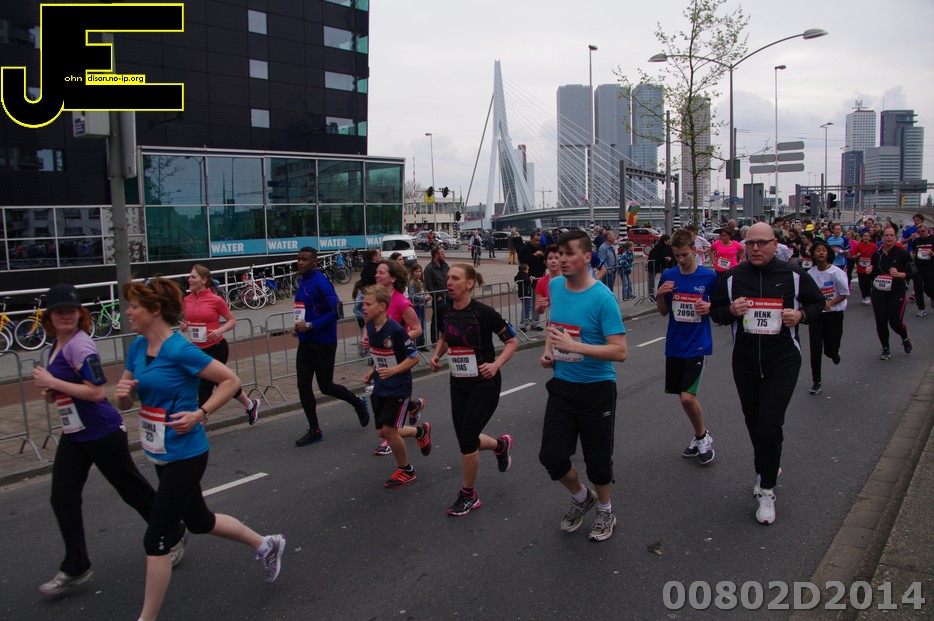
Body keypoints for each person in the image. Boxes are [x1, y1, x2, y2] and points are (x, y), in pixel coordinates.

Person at [115, 277, 284, 621]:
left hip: (187, 453)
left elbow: (230, 381)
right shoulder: (137, 347)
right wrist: (124, 395)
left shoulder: (179, 350)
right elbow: (126, 400)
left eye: (134, 306)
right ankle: (267, 543)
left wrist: (200, 413)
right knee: (199, 521)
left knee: (157, 536)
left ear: (155, 309)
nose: (127, 312)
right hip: (159, 451)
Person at [32, 284, 186, 596]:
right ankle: (76, 565)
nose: (65, 316)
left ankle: (174, 531)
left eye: (71, 311)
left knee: (131, 489)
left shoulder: (80, 345)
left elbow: (96, 392)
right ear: (49, 316)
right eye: (59, 312)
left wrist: (53, 380)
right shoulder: (56, 344)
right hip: (76, 434)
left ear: (80, 314)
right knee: (62, 497)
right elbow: (69, 388)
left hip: (102, 431)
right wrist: (53, 391)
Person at [710, 222, 824, 525]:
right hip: (745, 362)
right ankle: (769, 464)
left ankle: (767, 489)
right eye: (750, 244)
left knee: (768, 425)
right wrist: (730, 311)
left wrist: (800, 315)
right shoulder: (733, 278)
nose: (756, 248)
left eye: (762, 243)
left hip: (782, 361)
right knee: (755, 424)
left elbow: (818, 303)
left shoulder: (794, 276)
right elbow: (716, 312)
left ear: (776, 244)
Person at [538, 230, 628, 542]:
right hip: (562, 385)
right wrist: (549, 351)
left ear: (587, 257)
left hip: (596, 388)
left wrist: (576, 347)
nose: (561, 260)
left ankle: (605, 509)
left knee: (597, 460)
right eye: (559, 254)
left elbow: (620, 351)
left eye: (569, 254)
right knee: (551, 456)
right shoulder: (555, 286)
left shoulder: (603, 298)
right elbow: (555, 327)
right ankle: (581, 497)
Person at [429, 264, 517, 516]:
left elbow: (512, 341)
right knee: (466, 437)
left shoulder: (485, 313)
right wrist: (436, 355)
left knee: (468, 438)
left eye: (455, 278)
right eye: (448, 278)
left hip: (484, 383)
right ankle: (500, 445)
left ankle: (469, 494)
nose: (449, 282)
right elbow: (445, 337)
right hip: (458, 382)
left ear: (469, 284)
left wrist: (496, 364)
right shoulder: (444, 310)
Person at [292, 247, 370, 446]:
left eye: (304, 259)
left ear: (315, 262)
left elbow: (337, 312)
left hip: (324, 342)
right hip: (306, 342)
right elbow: (306, 309)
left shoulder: (321, 282)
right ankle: (315, 430)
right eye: (298, 259)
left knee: (326, 386)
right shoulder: (302, 281)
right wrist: (298, 327)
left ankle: (357, 402)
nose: (300, 262)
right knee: (303, 386)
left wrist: (311, 325)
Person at [655, 230, 720, 465]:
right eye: (676, 255)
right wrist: (660, 295)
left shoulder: (709, 277)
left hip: (698, 344)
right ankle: (699, 434)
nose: (681, 259)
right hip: (675, 344)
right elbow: (663, 311)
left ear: (694, 249)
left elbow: (720, 307)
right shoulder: (669, 275)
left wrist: (710, 307)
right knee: (681, 396)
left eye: (684, 254)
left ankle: (703, 437)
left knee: (687, 398)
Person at [361, 285, 433, 488]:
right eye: (363, 303)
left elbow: (414, 358)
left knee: (390, 431)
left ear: (382, 306)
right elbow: (378, 353)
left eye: (368, 304)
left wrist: (393, 371)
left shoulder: (396, 330)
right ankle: (419, 432)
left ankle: (406, 470)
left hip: (398, 386)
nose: (363, 307)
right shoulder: (370, 326)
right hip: (380, 384)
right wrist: (372, 370)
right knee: (382, 432)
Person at [180, 264, 260, 425]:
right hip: (197, 349)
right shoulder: (187, 300)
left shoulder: (215, 300)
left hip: (216, 348)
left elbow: (232, 321)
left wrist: (219, 330)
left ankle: (199, 425)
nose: (189, 279)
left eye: (193, 277)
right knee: (222, 382)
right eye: (189, 277)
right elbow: (191, 320)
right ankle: (250, 404)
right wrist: (186, 326)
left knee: (205, 387)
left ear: (204, 280)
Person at [370, 260, 427, 456]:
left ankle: (390, 439)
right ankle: (413, 409)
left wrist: (396, 341)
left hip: (400, 358)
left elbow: (417, 329)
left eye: (381, 273)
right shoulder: (376, 301)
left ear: (393, 278)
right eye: (377, 272)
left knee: (393, 399)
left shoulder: (401, 301)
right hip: (383, 359)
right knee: (386, 398)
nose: (377, 275)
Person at [805, 240, 849, 395]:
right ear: (813, 254)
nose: (821, 253)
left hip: (834, 314)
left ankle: (834, 353)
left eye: (824, 250)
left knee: (830, 349)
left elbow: (844, 293)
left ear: (828, 253)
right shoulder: (810, 274)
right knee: (815, 348)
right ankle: (816, 381)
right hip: (817, 316)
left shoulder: (836, 272)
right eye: (818, 250)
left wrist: (830, 303)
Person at [868, 224, 913, 360]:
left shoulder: (902, 254)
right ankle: (886, 348)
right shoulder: (877, 254)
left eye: (891, 235)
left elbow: (914, 273)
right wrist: (869, 271)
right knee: (881, 321)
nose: (889, 238)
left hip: (896, 291)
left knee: (895, 322)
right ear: (882, 238)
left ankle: (905, 338)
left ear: (895, 237)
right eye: (886, 235)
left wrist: (900, 274)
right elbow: (873, 273)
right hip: (879, 291)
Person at [518, 235, 547, 329]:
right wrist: (534, 255)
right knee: (527, 303)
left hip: (538, 279)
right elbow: (522, 262)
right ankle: (524, 323)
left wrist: (543, 258)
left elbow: (545, 262)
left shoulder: (541, 248)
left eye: (539, 240)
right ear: (531, 239)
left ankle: (535, 323)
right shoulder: (524, 249)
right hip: (528, 280)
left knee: (536, 302)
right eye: (536, 240)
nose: (537, 242)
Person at [423, 245, 450, 343]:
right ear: (436, 255)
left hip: (448, 296)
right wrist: (436, 296)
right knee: (436, 319)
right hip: (439, 298)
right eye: (442, 254)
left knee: (448, 317)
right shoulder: (429, 268)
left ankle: (447, 337)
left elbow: (449, 277)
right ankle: (435, 340)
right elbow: (429, 284)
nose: (444, 256)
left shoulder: (445, 265)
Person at [912, 223, 933, 317]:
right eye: (919, 232)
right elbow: (913, 252)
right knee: (918, 289)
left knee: (928, 288)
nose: (921, 233)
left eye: (923, 231)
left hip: (930, 267)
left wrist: (932, 253)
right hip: (918, 268)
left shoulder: (932, 239)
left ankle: (932, 296)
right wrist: (912, 257)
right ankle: (921, 308)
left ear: (927, 230)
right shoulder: (916, 241)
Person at [534, 245, 561, 316]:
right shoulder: (541, 282)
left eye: (556, 258)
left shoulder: (570, 279)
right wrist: (541, 305)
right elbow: (538, 310)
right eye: (550, 258)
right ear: (545, 262)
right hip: (554, 321)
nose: (553, 261)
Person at [852, 231, 877, 305]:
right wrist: (857, 256)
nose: (866, 237)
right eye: (864, 236)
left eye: (867, 236)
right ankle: (864, 296)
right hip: (860, 268)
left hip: (869, 268)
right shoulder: (859, 245)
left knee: (867, 283)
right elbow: (853, 256)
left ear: (870, 238)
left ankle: (868, 296)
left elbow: (877, 256)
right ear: (862, 238)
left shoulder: (873, 246)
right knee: (861, 284)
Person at [407, 263, 428, 345]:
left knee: (422, 324)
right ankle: (418, 343)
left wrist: (427, 295)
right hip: (417, 306)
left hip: (422, 305)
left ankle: (422, 342)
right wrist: (423, 298)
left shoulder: (421, 281)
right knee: (418, 324)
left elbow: (423, 291)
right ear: (412, 272)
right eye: (416, 271)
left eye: (419, 271)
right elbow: (413, 295)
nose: (418, 273)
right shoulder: (412, 282)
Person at [514, 262, 533, 329]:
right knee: (528, 306)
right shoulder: (524, 275)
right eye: (528, 270)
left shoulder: (519, 275)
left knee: (526, 306)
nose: (528, 271)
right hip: (526, 293)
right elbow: (526, 280)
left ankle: (525, 319)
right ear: (524, 270)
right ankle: (526, 318)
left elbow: (516, 278)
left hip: (523, 294)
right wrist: (530, 279)